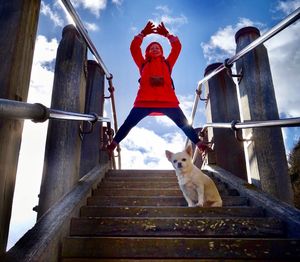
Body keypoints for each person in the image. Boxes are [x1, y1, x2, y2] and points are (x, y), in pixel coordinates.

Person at [107, 21, 208, 156]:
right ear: (147, 52)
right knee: (128, 124)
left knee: (184, 124)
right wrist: (142, 34)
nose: (155, 49)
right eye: (152, 48)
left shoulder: (167, 63)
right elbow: (134, 48)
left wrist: (167, 34)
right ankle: (112, 145)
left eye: (158, 48)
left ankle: (200, 145)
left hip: (168, 102)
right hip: (144, 101)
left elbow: (177, 47)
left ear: (161, 51)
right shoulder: (143, 63)